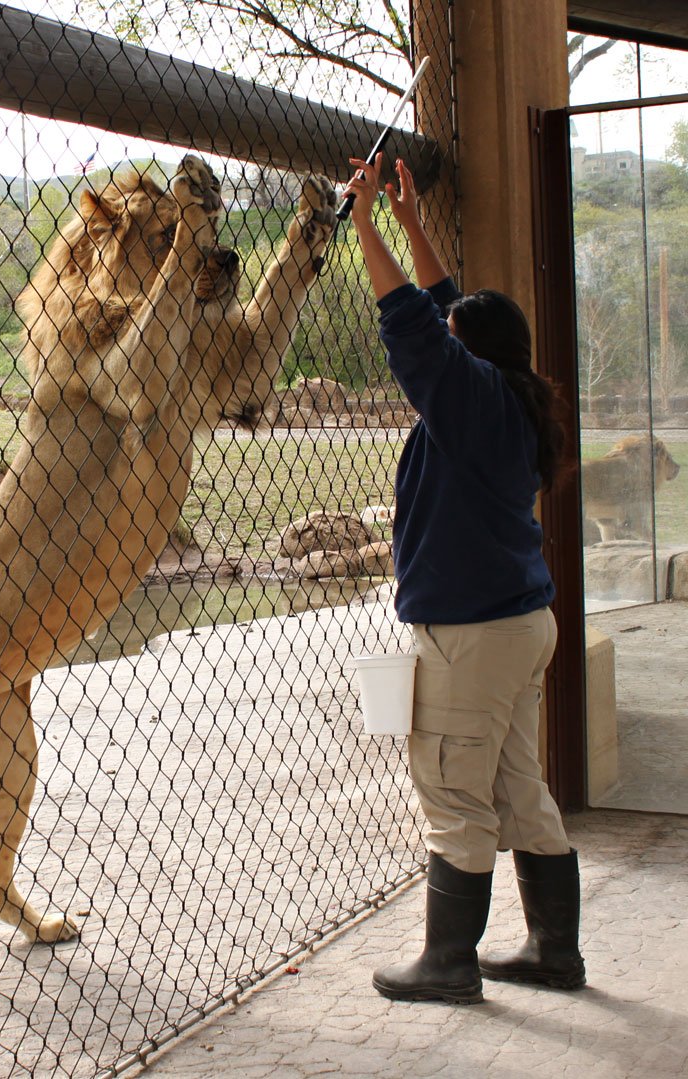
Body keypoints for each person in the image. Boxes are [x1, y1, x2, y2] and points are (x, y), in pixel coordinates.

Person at [343, 153, 586, 1004]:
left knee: (451, 788)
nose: (446, 333)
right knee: (520, 787)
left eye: (456, 337)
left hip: (473, 634)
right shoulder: (508, 392)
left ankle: (448, 962)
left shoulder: (469, 396)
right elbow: (450, 313)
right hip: (521, 622)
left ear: (468, 356)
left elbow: (412, 322)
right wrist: (412, 223)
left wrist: (365, 221)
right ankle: (555, 950)